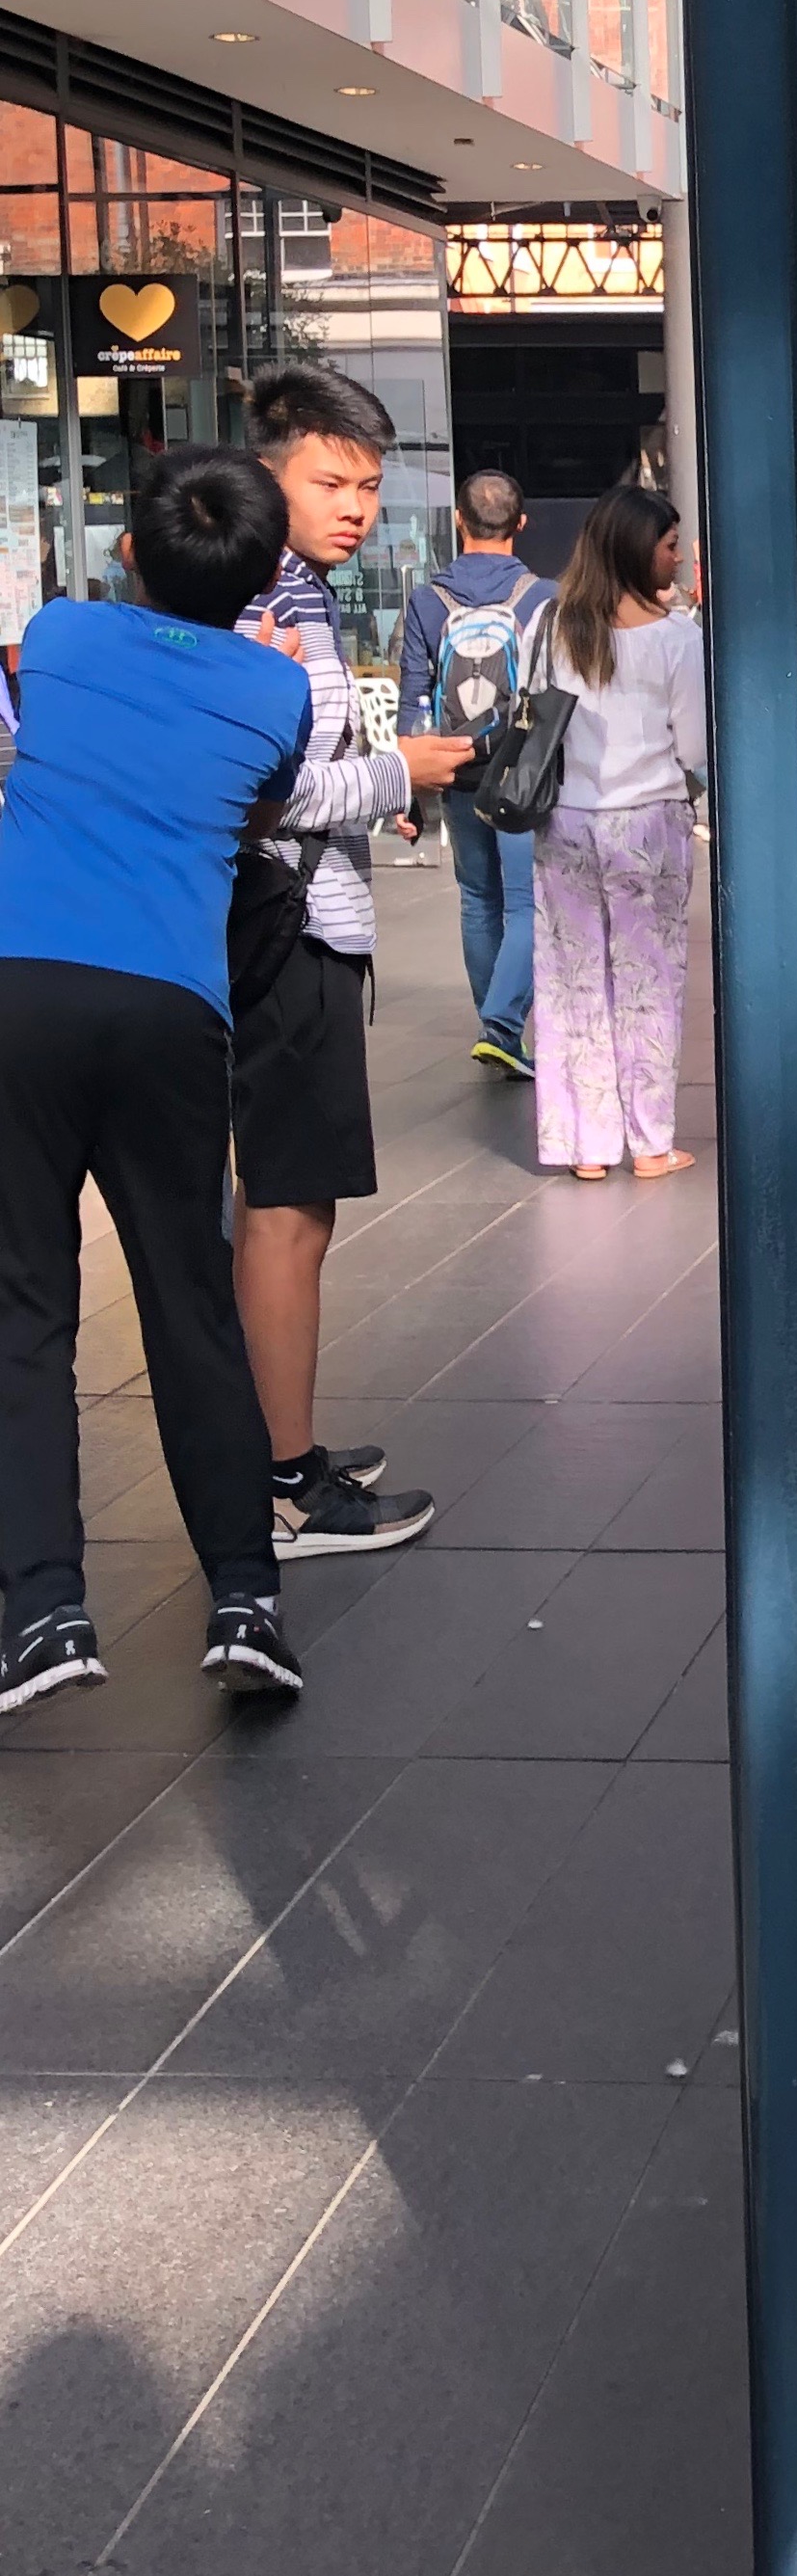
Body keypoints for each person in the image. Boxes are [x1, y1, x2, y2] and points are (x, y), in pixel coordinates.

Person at [0, 449, 317, 1708]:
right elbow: (259, 810)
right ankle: (244, 1597)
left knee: (25, 1304)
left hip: (21, 987)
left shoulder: (59, 634)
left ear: (130, 549)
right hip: (172, 1007)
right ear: (264, 574)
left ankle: (44, 1612)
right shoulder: (275, 687)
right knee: (189, 1298)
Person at [235, 364, 470, 1557]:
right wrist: (395, 772)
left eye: (370, 485)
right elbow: (253, 793)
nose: (357, 507)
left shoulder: (300, 593)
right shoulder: (257, 601)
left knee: (292, 1202)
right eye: (331, 480)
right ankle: (282, 1487)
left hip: (302, 921)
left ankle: (280, 1451)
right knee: (286, 1206)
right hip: (284, 928)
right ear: (264, 473)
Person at [533, 482, 705, 1182]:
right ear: (639, 549)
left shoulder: (555, 624)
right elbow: (693, 747)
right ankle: (651, 1143)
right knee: (648, 980)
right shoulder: (676, 638)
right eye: (669, 546)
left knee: (572, 978)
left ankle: (587, 1146)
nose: (676, 560)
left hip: (567, 820)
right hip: (649, 821)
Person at [399, 467, 553, 1082]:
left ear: (458, 520)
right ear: (521, 523)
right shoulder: (544, 597)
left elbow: (414, 700)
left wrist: (410, 792)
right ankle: (502, 1027)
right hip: (521, 773)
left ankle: (494, 1028)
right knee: (527, 903)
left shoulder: (426, 601)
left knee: (477, 899)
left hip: (455, 765)